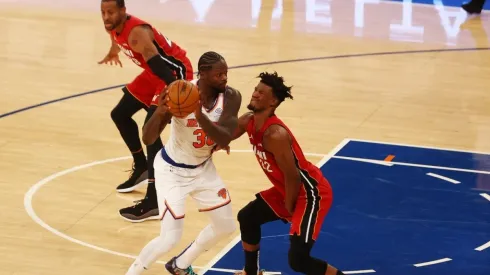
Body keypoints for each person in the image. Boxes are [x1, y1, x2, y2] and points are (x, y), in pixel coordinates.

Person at [125, 51, 241, 275]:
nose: (225, 78)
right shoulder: (178, 92)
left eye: (226, 73)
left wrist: (198, 114)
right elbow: (148, 139)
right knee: (169, 239)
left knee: (226, 226)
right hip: (172, 171)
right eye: (219, 75)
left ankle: (179, 264)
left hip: (203, 169)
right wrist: (160, 112)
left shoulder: (231, 96)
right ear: (203, 74)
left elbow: (225, 137)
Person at [222, 72, 345, 275]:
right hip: (286, 187)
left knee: (298, 260)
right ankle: (251, 272)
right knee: (247, 217)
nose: (254, 94)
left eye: (261, 93)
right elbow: (222, 137)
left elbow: (293, 176)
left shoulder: (275, 134)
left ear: (273, 101)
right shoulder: (248, 121)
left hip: (311, 193)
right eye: (255, 90)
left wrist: (289, 209)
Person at [99, 0, 194, 222]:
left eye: (111, 12)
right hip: (153, 72)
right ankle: (141, 166)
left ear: (123, 11)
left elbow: (159, 64)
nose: (106, 17)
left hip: (172, 72)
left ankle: (154, 199)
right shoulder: (113, 26)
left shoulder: (137, 33)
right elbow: (116, 39)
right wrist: (113, 51)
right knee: (119, 115)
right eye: (103, 12)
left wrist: (175, 88)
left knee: (150, 132)